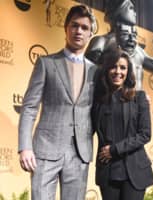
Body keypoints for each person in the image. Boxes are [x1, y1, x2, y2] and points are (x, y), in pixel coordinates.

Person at [18, 4, 97, 200]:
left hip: (80, 153)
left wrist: (136, 95)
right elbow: (29, 107)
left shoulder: (97, 71)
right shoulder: (46, 63)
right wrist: (25, 147)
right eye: (74, 25)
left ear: (90, 34)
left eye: (84, 28)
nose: (79, 31)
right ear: (66, 29)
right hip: (45, 150)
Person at [92, 46, 153, 200]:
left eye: (123, 67)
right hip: (107, 171)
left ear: (128, 72)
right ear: (106, 70)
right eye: (113, 67)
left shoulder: (139, 98)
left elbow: (145, 135)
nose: (118, 72)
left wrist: (115, 150)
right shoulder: (97, 101)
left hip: (135, 171)